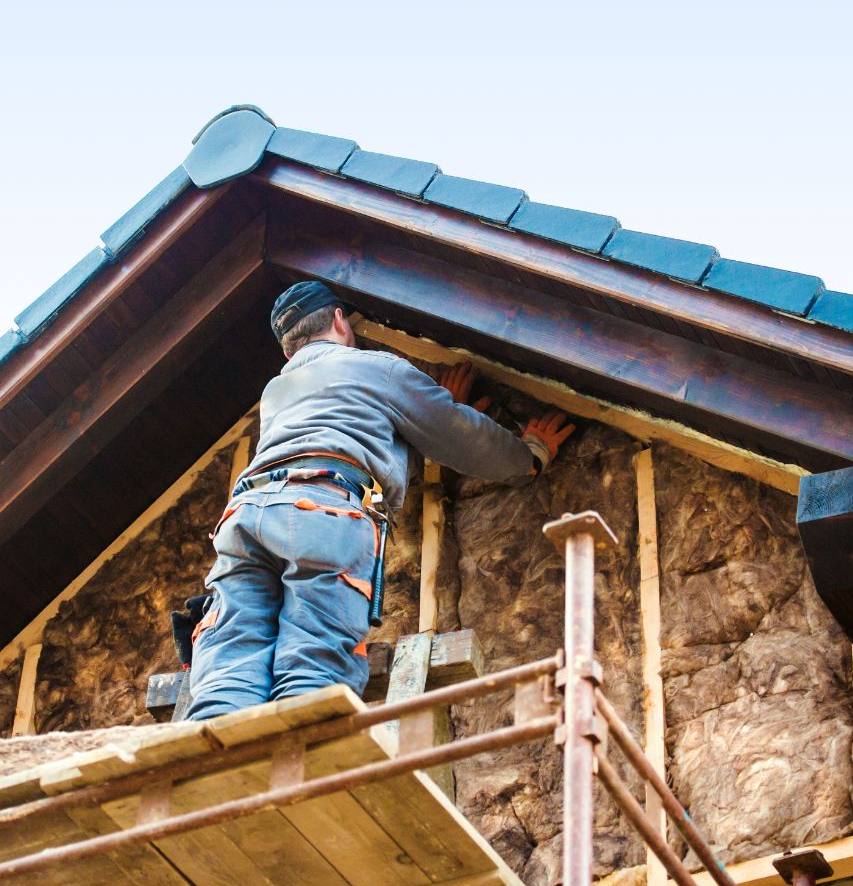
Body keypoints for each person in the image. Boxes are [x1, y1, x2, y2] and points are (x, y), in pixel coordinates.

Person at [186, 280, 575, 720]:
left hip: (245, 517)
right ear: (338, 319)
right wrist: (530, 456)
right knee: (314, 660)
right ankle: (302, 775)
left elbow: (344, 429)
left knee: (232, 655)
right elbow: (455, 434)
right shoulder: (379, 368)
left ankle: (212, 765)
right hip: (322, 511)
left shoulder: (276, 392)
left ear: (287, 351)